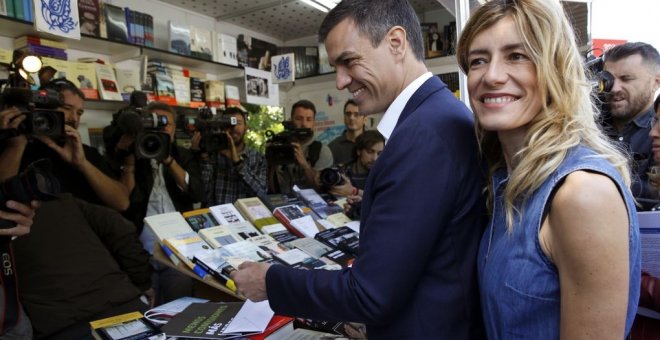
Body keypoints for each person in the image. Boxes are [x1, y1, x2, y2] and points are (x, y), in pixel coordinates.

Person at [232, 1, 486, 338]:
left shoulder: (423, 135)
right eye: (336, 67)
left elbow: (371, 295)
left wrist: (270, 281)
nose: (340, 82)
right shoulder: (436, 117)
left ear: (396, 43)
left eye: (349, 62)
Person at [456, 0, 641, 338]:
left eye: (517, 56)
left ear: (555, 68)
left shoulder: (582, 193)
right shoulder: (503, 181)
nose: (491, 76)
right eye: (478, 61)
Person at [12, 193, 153, 339]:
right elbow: (119, 228)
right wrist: (142, 281)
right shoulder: (57, 200)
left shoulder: (57, 201)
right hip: (120, 305)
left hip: (62, 325)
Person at [115, 101, 204, 305]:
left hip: (178, 248)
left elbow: (196, 192)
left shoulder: (183, 155)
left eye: (166, 124)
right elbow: (122, 200)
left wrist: (169, 161)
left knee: (181, 304)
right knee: (145, 306)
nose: (162, 128)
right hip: (140, 248)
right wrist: (128, 157)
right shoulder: (134, 153)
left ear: (174, 128)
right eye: (154, 123)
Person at [0, 78, 130, 211]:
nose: (74, 118)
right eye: (67, 108)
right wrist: (16, 146)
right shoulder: (15, 144)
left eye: (79, 113)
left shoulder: (85, 152)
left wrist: (83, 164)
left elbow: (122, 203)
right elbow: (3, 200)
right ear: (41, 107)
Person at [601, 42, 660, 200]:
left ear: (656, 81)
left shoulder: (655, 134)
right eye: (609, 80)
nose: (614, 89)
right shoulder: (586, 127)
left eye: (626, 79)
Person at [200, 106, 268, 205]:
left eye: (238, 123)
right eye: (229, 123)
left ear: (246, 127)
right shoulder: (213, 156)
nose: (234, 127)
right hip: (220, 216)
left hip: (247, 216)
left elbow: (262, 193)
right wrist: (204, 155)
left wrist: (238, 163)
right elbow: (203, 194)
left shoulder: (257, 158)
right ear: (222, 127)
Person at [269, 99, 334, 195]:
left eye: (309, 119)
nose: (304, 124)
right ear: (291, 120)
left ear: (314, 123)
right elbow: (269, 184)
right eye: (299, 119)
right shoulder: (279, 144)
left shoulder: (322, 151)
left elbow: (321, 188)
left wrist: (304, 164)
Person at [329, 130, 384, 198]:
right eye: (370, 152)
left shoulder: (383, 174)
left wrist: (354, 191)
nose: (375, 158)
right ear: (358, 151)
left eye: (379, 154)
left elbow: (383, 199)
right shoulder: (343, 171)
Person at [328, 99, 366, 166]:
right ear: (344, 117)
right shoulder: (333, 147)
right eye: (348, 114)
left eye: (356, 114)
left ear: (365, 118)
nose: (351, 118)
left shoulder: (374, 144)